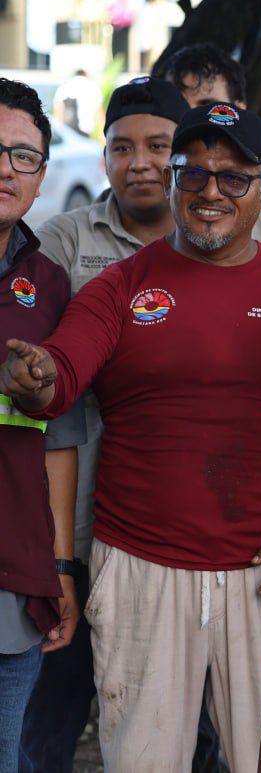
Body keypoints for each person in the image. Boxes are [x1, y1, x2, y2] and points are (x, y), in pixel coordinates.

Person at [0, 103, 261, 770]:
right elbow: (62, 371)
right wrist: (36, 376)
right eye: (194, 175)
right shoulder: (120, 286)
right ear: (174, 182)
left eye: (234, 178)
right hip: (140, 572)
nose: (211, 192)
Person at [19, 76, 231, 773]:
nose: (138, 162)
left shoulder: (213, 236)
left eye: (159, 146)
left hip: (173, 533)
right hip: (67, 526)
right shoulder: (56, 244)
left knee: (181, 726)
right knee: (48, 716)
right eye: (120, 147)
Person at [0, 77, 83, 769]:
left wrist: (57, 566)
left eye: (23, 156)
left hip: (12, 570)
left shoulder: (47, 283)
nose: (6, 168)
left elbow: (57, 440)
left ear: (41, 175)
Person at [153, 42, 261, 265]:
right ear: (167, 183)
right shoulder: (144, 199)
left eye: (207, 105)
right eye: (179, 106)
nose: (211, 193)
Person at [52, 70, 101, 137]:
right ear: (85, 75)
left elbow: (58, 112)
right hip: (84, 133)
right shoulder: (92, 86)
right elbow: (98, 114)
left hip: (67, 132)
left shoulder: (64, 86)